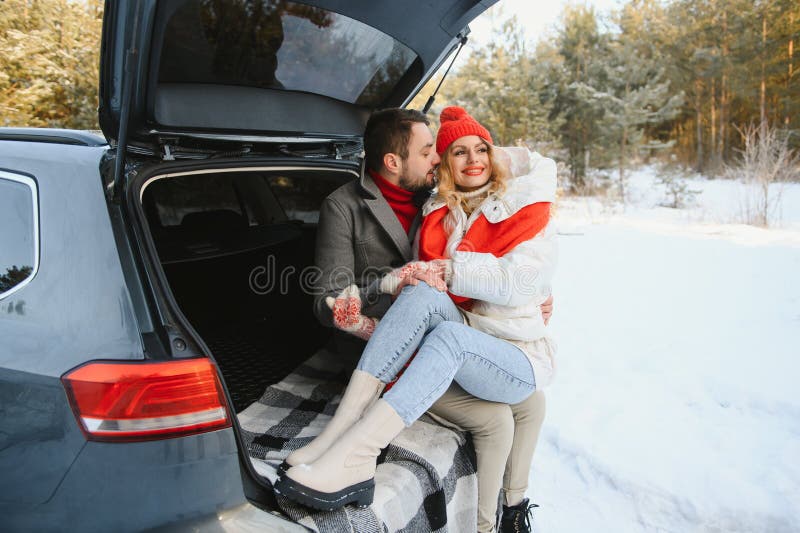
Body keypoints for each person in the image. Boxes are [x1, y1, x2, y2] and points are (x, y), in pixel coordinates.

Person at [276, 108, 554, 532]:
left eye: (440, 152)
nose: (438, 160)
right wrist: (382, 287)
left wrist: (536, 295)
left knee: (531, 401)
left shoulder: (438, 197)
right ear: (393, 161)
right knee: (495, 409)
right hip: (380, 343)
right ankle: (346, 439)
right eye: (430, 151)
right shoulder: (346, 206)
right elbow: (326, 299)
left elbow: (512, 258)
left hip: (451, 330)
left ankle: (509, 513)